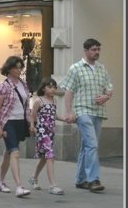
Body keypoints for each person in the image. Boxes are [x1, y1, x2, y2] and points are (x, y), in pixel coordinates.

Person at [60, 38, 113, 193]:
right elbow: (69, 91)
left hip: (98, 112)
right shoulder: (75, 68)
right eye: (94, 50)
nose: (97, 52)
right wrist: (69, 112)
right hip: (82, 112)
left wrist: (107, 96)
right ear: (86, 50)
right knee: (92, 144)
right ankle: (93, 179)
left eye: (98, 49)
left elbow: (109, 88)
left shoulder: (102, 68)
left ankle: (80, 179)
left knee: (86, 146)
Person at [0, 55, 32, 197]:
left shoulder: (23, 84)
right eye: (16, 67)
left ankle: (0, 182)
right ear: (9, 69)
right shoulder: (4, 86)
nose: (19, 70)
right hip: (8, 121)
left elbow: (27, 105)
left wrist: (30, 122)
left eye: (21, 67)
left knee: (8, 152)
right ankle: (19, 186)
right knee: (15, 152)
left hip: (20, 121)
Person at [28, 78, 65, 195]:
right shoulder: (39, 101)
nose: (52, 89)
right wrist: (32, 126)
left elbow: (54, 115)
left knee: (45, 157)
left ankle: (33, 177)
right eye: (50, 87)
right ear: (43, 88)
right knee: (50, 155)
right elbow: (32, 115)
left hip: (51, 132)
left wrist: (65, 119)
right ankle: (53, 185)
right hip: (42, 132)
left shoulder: (54, 101)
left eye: (54, 87)